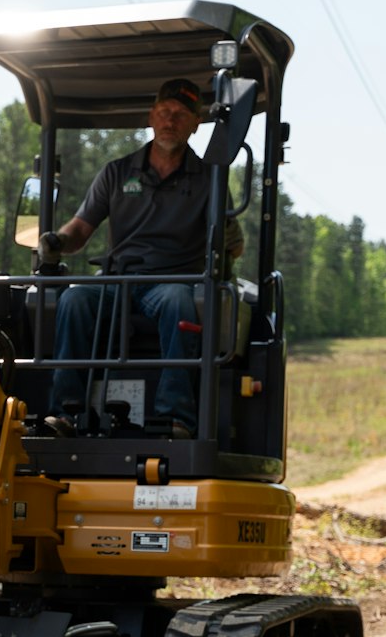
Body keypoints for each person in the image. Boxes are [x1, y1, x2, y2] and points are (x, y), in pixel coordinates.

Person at [40, 77, 242, 440]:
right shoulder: (117, 172)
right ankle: (67, 411)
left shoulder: (210, 179)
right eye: (164, 112)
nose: (170, 120)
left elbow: (231, 245)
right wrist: (55, 242)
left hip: (173, 280)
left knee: (179, 300)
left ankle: (175, 417)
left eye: (181, 115)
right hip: (117, 280)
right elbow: (81, 229)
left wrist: (232, 241)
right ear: (151, 117)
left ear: (196, 124)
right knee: (73, 299)